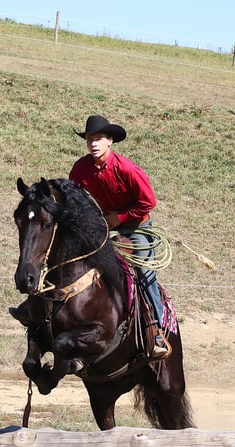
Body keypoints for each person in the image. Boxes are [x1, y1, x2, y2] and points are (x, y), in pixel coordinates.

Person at [68, 115, 169, 359]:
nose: (94, 144)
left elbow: (148, 202)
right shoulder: (81, 168)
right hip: (103, 226)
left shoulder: (127, 169)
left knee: (145, 273)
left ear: (110, 141)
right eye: (90, 139)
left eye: (99, 139)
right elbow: (75, 196)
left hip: (136, 227)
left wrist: (120, 219)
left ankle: (157, 330)